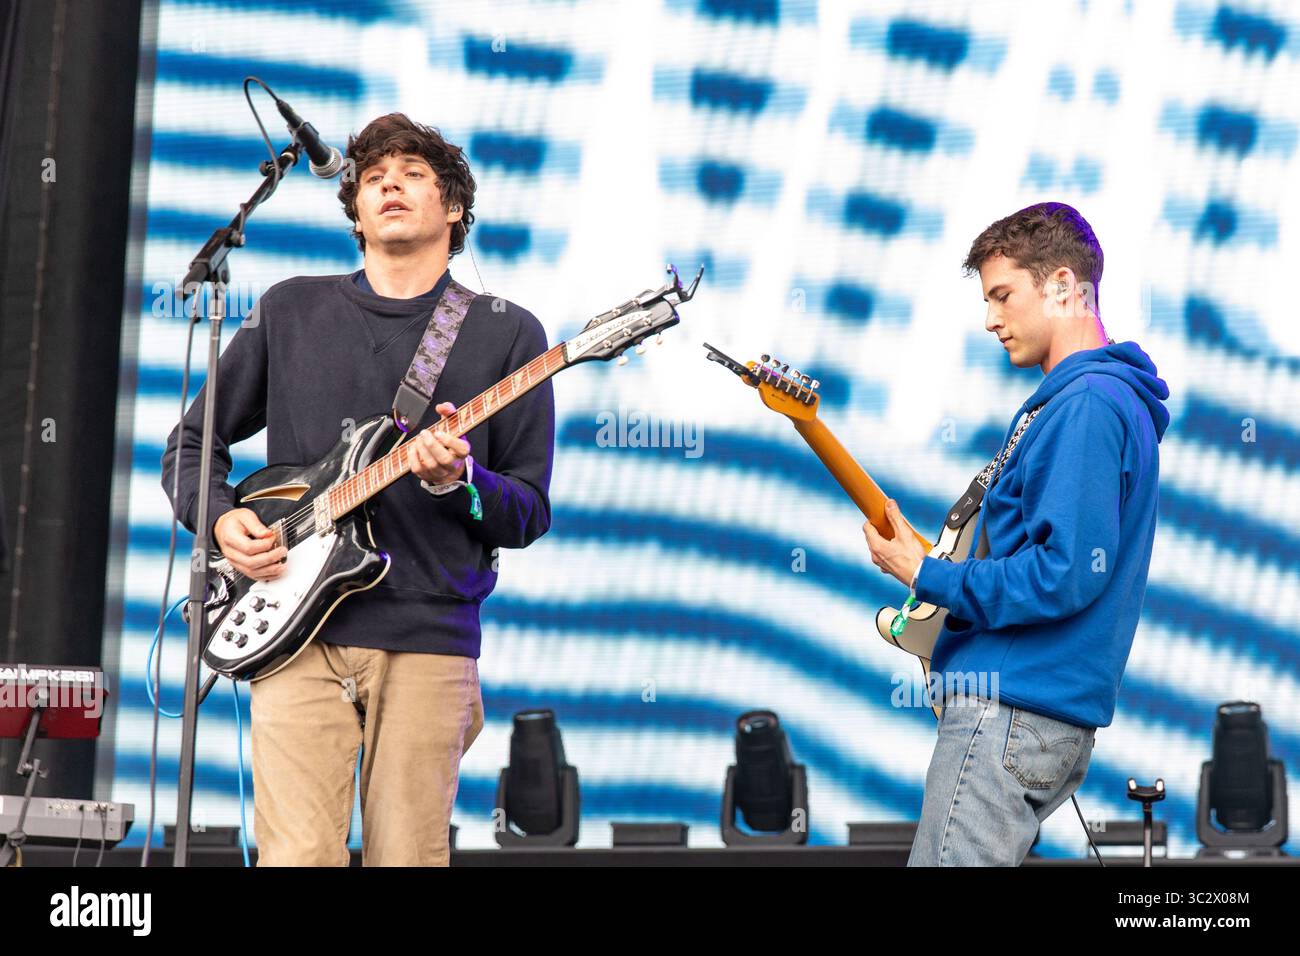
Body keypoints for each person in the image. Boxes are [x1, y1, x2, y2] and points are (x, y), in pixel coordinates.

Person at [161, 113, 555, 866]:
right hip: (294, 632)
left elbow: (528, 509)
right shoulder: (291, 309)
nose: (388, 186)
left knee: (406, 856)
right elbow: (190, 443)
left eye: (411, 175)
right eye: (373, 178)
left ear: (455, 209)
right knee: (293, 858)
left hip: (428, 638)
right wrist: (219, 522)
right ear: (355, 211)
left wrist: (459, 480)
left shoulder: (507, 333)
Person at [863, 202, 1170, 866]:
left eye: (1003, 295)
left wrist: (927, 575)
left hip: (1008, 712)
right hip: (1032, 713)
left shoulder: (1087, 405)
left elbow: (1063, 571)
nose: (989, 318)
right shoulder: (1096, 402)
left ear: (1063, 286)